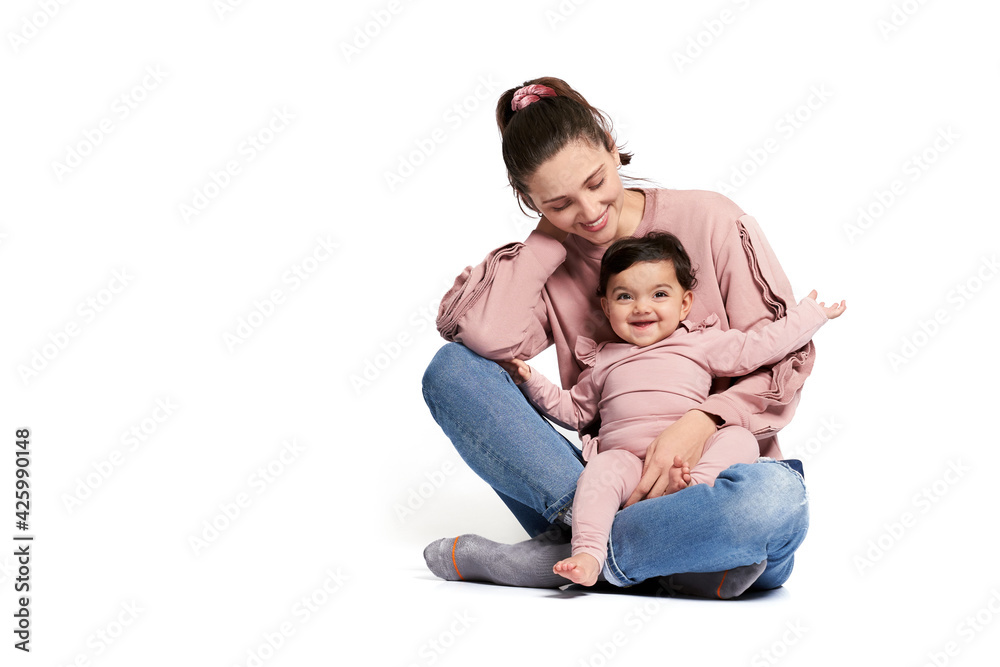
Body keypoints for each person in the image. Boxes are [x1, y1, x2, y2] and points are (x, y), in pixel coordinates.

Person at [421, 76, 830, 597]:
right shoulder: (554, 258)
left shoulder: (712, 219)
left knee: (774, 502)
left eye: (595, 182)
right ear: (528, 200)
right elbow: (488, 342)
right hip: (606, 483)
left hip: (715, 491)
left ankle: (572, 557)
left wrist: (702, 420)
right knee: (452, 371)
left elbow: (778, 357)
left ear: (613, 148)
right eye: (559, 202)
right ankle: (645, 555)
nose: (589, 214)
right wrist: (546, 241)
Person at [499, 231, 845, 586]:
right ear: (606, 307)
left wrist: (810, 316)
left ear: (684, 304)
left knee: (739, 437)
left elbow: (758, 348)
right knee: (600, 471)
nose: (642, 307)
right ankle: (587, 553)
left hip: (690, 462)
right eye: (624, 297)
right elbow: (574, 409)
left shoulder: (699, 344)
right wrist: (530, 379)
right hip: (629, 465)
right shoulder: (603, 360)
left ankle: (692, 494)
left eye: (659, 294)